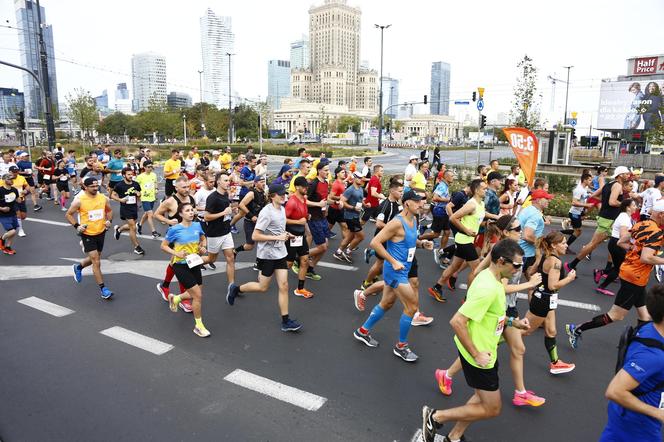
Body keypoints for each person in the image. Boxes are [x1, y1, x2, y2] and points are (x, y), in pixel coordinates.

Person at [421, 239, 531, 442]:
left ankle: (454, 437)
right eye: (516, 265)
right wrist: (477, 354)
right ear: (500, 261)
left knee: (481, 398)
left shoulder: (493, 278)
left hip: (487, 350)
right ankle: (436, 417)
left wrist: (513, 323)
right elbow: (457, 321)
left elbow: (491, 314)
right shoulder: (487, 288)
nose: (518, 269)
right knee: (492, 408)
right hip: (479, 356)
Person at [434, 215, 545, 407]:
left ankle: (447, 374)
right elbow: (496, 284)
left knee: (489, 347)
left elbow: (477, 272)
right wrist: (529, 284)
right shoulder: (502, 256)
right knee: (515, 350)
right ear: (506, 232)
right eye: (517, 229)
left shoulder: (511, 252)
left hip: (505, 307)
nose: (521, 232)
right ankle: (519, 393)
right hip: (500, 306)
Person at [567, 199, 664, 349]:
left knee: (645, 315)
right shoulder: (656, 232)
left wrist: (635, 250)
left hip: (631, 273)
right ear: (661, 215)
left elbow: (621, 242)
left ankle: (642, 344)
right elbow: (647, 257)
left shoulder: (641, 224)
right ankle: (577, 328)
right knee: (615, 315)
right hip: (635, 277)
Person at [353, 189, 433, 362]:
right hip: (396, 271)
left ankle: (362, 331)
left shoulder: (413, 220)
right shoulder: (397, 222)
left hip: (403, 268)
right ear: (407, 203)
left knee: (387, 303)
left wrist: (421, 243)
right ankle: (401, 346)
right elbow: (375, 242)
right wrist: (393, 260)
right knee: (412, 307)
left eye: (422, 201)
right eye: (418, 201)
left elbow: (408, 242)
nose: (421, 204)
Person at [226, 183, 302, 332]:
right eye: (281, 194)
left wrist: (287, 235)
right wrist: (278, 237)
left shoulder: (281, 209)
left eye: (285, 194)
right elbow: (255, 235)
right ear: (272, 196)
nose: (284, 196)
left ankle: (286, 321)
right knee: (262, 287)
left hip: (280, 252)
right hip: (267, 255)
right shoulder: (266, 212)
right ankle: (236, 289)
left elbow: (279, 229)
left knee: (284, 285)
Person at [600, 285, 664, 442]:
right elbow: (614, 391)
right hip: (637, 426)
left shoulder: (651, 328)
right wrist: (656, 413)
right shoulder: (653, 356)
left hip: (623, 416)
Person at [523, 232, 577, 374]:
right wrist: (569, 278)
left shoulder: (545, 255)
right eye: (564, 243)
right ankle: (489, 346)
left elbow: (532, 271)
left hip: (546, 299)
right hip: (543, 301)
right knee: (523, 331)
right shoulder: (556, 262)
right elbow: (553, 285)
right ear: (554, 245)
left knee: (551, 331)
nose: (566, 245)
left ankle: (555, 363)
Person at [429, 179, 487, 302]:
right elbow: (453, 218)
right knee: (477, 270)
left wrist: (496, 217)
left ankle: (437, 287)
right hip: (464, 240)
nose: (486, 190)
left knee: (454, 266)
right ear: (476, 190)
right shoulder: (471, 204)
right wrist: (466, 230)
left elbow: (481, 216)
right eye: (484, 188)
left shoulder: (481, 204)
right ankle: (468, 299)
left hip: (467, 240)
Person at [565, 166, 630, 273]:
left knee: (614, 244)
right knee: (595, 244)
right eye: (626, 173)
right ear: (620, 175)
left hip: (609, 219)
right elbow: (612, 202)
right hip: (608, 220)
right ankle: (572, 264)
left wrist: (604, 201)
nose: (628, 175)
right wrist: (625, 204)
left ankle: (609, 270)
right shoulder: (617, 185)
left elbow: (594, 195)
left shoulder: (609, 184)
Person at [161, 203, 210, 338]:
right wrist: (176, 253)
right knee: (198, 295)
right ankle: (198, 326)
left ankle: (175, 298)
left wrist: (203, 246)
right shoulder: (175, 229)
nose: (191, 212)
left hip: (194, 262)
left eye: (192, 210)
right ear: (181, 214)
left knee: (195, 293)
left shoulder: (197, 226)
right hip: (180, 265)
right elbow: (163, 246)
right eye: (187, 211)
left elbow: (202, 237)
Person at [67, 177, 114, 299]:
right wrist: (77, 226)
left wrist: (109, 221)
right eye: (92, 186)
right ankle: (103, 289)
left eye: (96, 185)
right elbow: (68, 214)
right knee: (96, 261)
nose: (95, 188)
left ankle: (78, 266)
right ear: (85, 187)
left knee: (96, 256)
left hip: (101, 231)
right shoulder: (79, 200)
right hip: (87, 234)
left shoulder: (103, 198)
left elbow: (109, 211)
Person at [154, 176, 197, 312]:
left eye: (188, 186)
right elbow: (157, 214)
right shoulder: (170, 201)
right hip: (176, 237)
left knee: (175, 263)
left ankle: (164, 286)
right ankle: (183, 300)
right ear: (176, 188)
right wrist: (168, 221)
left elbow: (191, 215)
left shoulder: (191, 199)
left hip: (189, 237)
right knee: (181, 265)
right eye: (183, 187)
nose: (186, 189)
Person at [203, 172, 237, 293]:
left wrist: (233, 209)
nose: (228, 183)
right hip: (214, 234)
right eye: (226, 180)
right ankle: (191, 262)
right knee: (211, 259)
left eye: (229, 180)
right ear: (218, 182)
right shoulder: (212, 197)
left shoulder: (226, 194)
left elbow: (226, 210)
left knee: (230, 258)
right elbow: (206, 217)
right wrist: (223, 213)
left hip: (226, 232)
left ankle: (232, 286)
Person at [594, 199, 636, 296]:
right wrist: (632, 242)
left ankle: (600, 272)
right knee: (619, 268)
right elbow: (623, 234)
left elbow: (614, 227)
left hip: (614, 242)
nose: (636, 207)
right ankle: (601, 287)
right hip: (617, 244)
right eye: (633, 205)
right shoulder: (624, 218)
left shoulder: (624, 216)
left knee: (618, 266)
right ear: (628, 208)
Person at [285, 176, 314, 298]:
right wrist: (298, 222)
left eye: (307, 186)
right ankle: (268, 270)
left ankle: (300, 289)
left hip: (300, 236)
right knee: (288, 265)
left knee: (305, 260)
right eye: (304, 187)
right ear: (297, 187)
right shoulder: (292, 202)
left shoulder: (304, 199)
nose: (306, 188)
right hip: (292, 236)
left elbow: (302, 215)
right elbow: (283, 220)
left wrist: (307, 216)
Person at [518, 188, 553, 280]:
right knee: (513, 283)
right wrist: (543, 244)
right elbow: (527, 235)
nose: (549, 201)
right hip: (525, 254)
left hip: (523, 251)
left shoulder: (529, 209)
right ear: (538, 200)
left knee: (533, 282)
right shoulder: (535, 214)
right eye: (546, 198)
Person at [305, 162, 331, 280]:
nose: (327, 172)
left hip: (322, 217)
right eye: (325, 170)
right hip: (314, 218)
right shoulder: (313, 183)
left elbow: (325, 199)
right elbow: (304, 200)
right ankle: (300, 256)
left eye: (328, 170)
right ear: (319, 170)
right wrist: (318, 204)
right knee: (322, 247)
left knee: (326, 245)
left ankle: (310, 268)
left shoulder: (325, 182)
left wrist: (335, 203)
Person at [233, 175, 267, 264]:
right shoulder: (251, 193)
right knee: (250, 246)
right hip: (249, 223)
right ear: (255, 183)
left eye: (264, 182)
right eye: (261, 182)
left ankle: (258, 262)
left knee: (262, 242)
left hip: (259, 222)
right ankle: (235, 251)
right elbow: (241, 205)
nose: (263, 183)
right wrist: (251, 216)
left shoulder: (263, 192)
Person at [111, 168, 144, 255]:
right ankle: (137, 247)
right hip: (125, 208)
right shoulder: (119, 185)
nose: (131, 176)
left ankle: (119, 229)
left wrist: (139, 195)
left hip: (134, 207)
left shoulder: (136, 184)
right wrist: (120, 200)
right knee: (133, 227)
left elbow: (139, 196)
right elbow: (112, 195)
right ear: (124, 175)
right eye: (128, 174)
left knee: (131, 225)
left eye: (131, 174)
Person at [334, 171, 366, 263]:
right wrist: (353, 208)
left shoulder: (360, 188)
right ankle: (348, 251)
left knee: (350, 236)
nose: (361, 179)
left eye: (361, 178)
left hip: (356, 215)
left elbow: (360, 199)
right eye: (359, 178)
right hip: (350, 216)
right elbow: (342, 202)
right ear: (354, 178)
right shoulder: (350, 189)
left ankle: (339, 252)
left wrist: (365, 204)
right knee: (361, 236)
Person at [567, 173, 594, 249]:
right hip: (574, 213)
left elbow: (586, 195)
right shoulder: (579, 190)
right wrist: (587, 205)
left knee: (577, 231)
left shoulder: (584, 189)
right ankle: (566, 246)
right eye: (589, 180)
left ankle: (560, 234)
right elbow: (574, 202)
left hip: (577, 213)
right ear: (584, 180)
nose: (590, 181)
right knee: (577, 231)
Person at [135, 161, 160, 238]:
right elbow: (134, 185)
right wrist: (137, 193)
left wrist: (156, 188)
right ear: (144, 167)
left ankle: (139, 225)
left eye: (151, 167)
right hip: (144, 198)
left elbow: (155, 182)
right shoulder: (140, 176)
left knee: (147, 213)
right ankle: (153, 231)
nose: (150, 168)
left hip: (152, 197)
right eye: (148, 167)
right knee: (150, 214)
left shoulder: (154, 175)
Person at [0, 173, 20, 255]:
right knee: (11, 231)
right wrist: (2, 208)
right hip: (3, 215)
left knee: (14, 231)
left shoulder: (14, 190)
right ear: (5, 180)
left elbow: (17, 199)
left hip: (12, 213)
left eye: (12, 179)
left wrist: (20, 199)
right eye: (9, 179)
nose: (12, 180)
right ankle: (1, 239)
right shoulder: (0, 190)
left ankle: (7, 247)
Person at [327, 167, 346, 239]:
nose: (344, 174)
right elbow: (331, 196)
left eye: (344, 172)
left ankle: (346, 244)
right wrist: (341, 197)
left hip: (339, 208)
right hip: (334, 209)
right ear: (337, 174)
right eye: (342, 172)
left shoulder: (342, 182)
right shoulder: (336, 184)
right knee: (343, 226)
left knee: (343, 226)